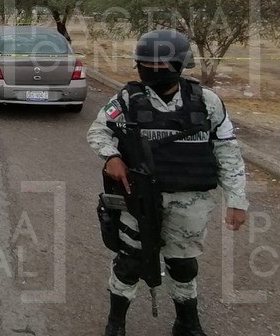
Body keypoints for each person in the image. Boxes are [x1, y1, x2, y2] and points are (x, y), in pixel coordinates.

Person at [87, 29, 248, 336]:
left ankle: (187, 323)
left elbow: (228, 152)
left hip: (191, 201)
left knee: (183, 264)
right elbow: (98, 130)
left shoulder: (207, 102)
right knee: (130, 262)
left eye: (160, 66)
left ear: (179, 65)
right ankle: (116, 323)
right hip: (139, 199)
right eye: (145, 65)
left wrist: (237, 201)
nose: (151, 71)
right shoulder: (127, 99)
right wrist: (111, 156)